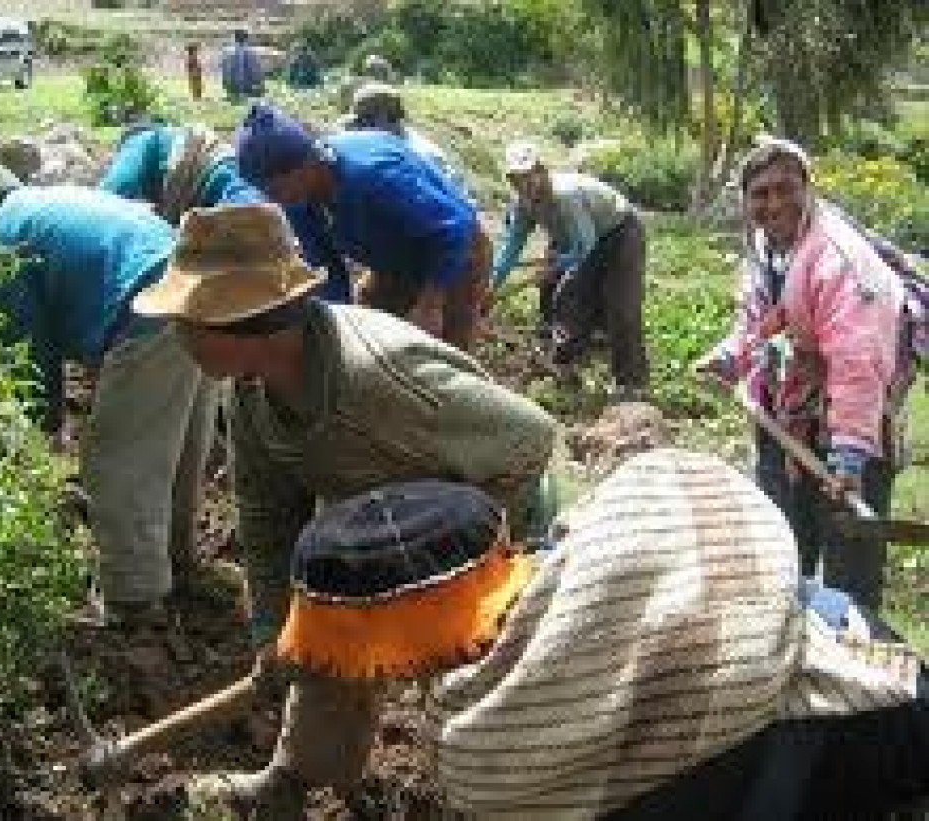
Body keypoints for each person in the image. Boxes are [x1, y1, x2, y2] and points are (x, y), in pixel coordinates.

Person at [155, 453, 927, 820]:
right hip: (870, 654)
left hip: (824, 756)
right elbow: (703, 489)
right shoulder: (602, 536)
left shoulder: (486, 749)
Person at [130, 200, 562, 818]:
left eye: (189, 320)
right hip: (378, 527)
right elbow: (266, 519)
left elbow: (530, 441)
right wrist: (275, 632)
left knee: (481, 693)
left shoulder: (378, 380)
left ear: (249, 321)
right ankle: (299, 778)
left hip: (496, 524)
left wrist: (447, 553)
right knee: (325, 640)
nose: (176, 335)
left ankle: (504, 799)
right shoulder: (251, 397)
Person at [0, 157, 211, 629]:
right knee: (176, 444)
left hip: (150, 306)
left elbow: (27, 349)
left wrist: (43, 433)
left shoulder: (0, 236)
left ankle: (133, 597)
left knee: (115, 460)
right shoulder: (46, 204)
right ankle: (177, 559)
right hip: (204, 291)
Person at [695, 137, 907, 611]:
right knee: (781, 555)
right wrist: (732, 356)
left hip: (852, 429)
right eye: (760, 194)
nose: (773, 204)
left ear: (808, 189)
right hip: (784, 421)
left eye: (784, 189)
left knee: (849, 575)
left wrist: (850, 456)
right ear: (746, 202)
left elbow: (859, 360)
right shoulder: (764, 249)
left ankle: (857, 671)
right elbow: (761, 321)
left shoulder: (839, 259)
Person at [235, 101, 490, 351]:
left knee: (445, 348)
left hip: (456, 251)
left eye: (273, 188)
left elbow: (453, 228)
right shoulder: (298, 201)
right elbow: (325, 270)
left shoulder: (372, 177)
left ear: (304, 166)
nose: (271, 199)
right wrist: (333, 334)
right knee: (369, 328)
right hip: (396, 256)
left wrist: (430, 305)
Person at [98, 121, 353, 303]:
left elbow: (105, 206)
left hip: (221, 193)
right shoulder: (181, 146)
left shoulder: (139, 144)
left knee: (250, 258)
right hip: (235, 189)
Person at [491, 139, 650, 394]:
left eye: (529, 176)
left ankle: (632, 384)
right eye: (517, 180)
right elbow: (510, 250)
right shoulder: (524, 205)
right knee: (565, 298)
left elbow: (585, 247)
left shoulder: (565, 196)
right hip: (578, 238)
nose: (525, 185)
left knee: (621, 305)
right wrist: (490, 289)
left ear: (541, 172)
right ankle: (567, 365)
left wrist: (555, 266)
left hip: (620, 232)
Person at [341, 81, 471, 199]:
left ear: (388, 117)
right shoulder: (385, 147)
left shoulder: (420, 156)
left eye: (365, 120)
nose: (360, 129)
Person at [220, 27, 263, 101]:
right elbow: (257, 72)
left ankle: (235, 92)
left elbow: (224, 72)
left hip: (232, 87)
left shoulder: (227, 52)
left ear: (235, 38)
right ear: (246, 39)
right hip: (248, 87)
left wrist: (226, 85)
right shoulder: (252, 53)